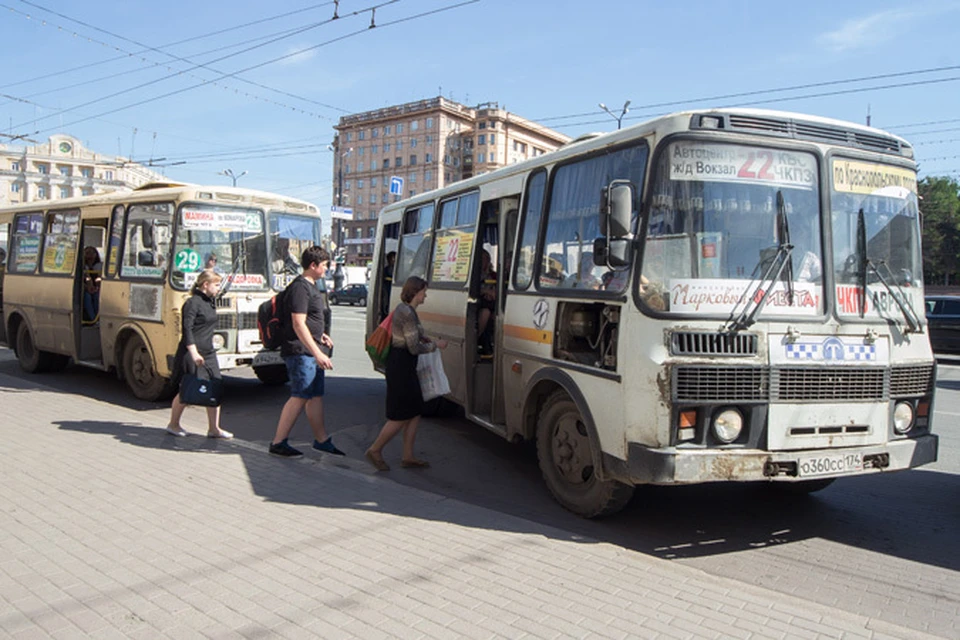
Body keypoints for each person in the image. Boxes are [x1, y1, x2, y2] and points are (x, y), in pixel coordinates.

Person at [268, 246, 345, 458]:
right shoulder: (300, 288)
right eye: (324, 265)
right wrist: (317, 352)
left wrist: (320, 336)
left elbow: (310, 322)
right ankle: (278, 442)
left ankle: (321, 440)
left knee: (315, 396)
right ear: (313, 265)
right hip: (301, 352)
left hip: (311, 349)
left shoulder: (311, 286)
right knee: (300, 396)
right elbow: (298, 323)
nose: (327, 269)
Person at [364, 276, 447, 471]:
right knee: (400, 414)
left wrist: (424, 337)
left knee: (415, 411)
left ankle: (408, 456)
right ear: (415, 292)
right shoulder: (407, 313)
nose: (425, 295)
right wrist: (436, 345)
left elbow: (411, 337)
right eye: (423, 292)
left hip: (404, 366)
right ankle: (375, 449)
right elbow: (413, 347)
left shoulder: (405, 310)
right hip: (401, 367)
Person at [166, 269, 233, 439]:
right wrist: (194, 352)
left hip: (209, 352)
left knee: (215, 387)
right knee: (188, 390)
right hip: (192, 352)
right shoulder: (192, 303)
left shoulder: (210, 302)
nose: (219, 288)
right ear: (205, 284)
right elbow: (187, 329)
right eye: (216, 284)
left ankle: (214, 429)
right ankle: (173, 425)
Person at [477, 250, 497, 354]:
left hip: (493, 302)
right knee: (486, 313)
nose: (482, 262)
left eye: (485, 259)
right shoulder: (475, 275)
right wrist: (486, 291)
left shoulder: (494, 275)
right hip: (479, 304)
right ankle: (476, 339)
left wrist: (492, 294)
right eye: (480, 259)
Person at [82, 246, 103, 323]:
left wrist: (96, 287)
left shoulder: (99, 266)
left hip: (96, 288)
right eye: (87, 253)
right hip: (84, 289)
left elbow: (100, 279)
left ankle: (99, 318)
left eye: (92, 253)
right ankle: (93, 319)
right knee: (87, 297)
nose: (90, 256)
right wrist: (88, 287)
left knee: (97, 296)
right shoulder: (82, 267)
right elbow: (86, 279)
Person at [381, 251, 396, 320]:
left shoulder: (399, 271)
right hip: (386, 291)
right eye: (392, 259)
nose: (393, 261)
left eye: (394, 258)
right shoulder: (385, 270)